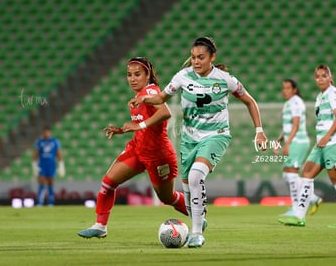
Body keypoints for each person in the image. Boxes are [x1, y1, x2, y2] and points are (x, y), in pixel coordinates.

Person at [129, 37, 268, 247]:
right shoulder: (182, 77)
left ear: (212, 57)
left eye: (201, 57)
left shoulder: (225, 79)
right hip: (189, 139)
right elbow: (162, 98)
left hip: (216, 136)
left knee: (195, 177)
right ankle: (199, 222)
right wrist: (145, 98)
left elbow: (249, 100)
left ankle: (196, 233)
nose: (196, 61)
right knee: (186, 185)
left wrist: (259, 131)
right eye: (193, 57)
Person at [78, 57, 188, 239]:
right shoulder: (138, 97)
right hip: (138, 149)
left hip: (158, 155)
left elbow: (165, 112)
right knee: (108, 183)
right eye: (129, 75)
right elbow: (142, 125)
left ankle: (198, 216)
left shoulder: (151, 91)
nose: (132, 78)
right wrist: (122, 130)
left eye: (137, 74)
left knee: (167, 198)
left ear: (148, 75)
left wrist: (140, 126)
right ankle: (100, 225)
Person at [278, 64, 336, 228]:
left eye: (324, 75)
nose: (320, 79)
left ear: (330, 78)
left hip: (334, 142)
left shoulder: (334, 94)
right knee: (306, 173)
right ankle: (299, 216)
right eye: (317, 76)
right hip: (321, 143)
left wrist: (327, 136)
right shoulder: (321, 96)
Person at [274, 79, 322, 217]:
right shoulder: (288, 103)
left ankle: (296, 208)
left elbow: (296, 125)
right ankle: (312, 198)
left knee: (291, 174)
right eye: (283, 88)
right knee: (288, 174)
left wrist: (287, 144)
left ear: (294, 89)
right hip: (293, 141)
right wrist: (279, 140)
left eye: (288, 88)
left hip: (298, 141)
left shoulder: (296, 102)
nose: (285, 90)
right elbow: (288, 127)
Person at [32, 126, 65, 206]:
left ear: (50, 133)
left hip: (51, 165)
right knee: (41, 182)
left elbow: (58, 153)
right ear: (43, 133)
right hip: (42, 165)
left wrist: (61, 164)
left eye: (48, 132)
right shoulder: (39, 142)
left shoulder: (54, 141)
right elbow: (36, 153)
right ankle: (40, 202)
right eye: (45, 132)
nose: (46, 134)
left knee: (51, 182)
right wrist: (34, 165)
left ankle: (51, 202)